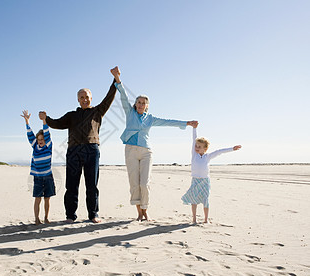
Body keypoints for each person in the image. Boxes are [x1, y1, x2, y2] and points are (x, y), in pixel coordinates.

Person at [110, 66, 197, 221]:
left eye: (144, 103)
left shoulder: (150, 119)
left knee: (145, 183)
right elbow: (123, 95)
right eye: (138, 102)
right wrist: (117, 78)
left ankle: (145, 210)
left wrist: (186, 123)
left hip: (146, 152)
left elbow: (167, 122)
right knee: (134, 184)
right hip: (130, 150)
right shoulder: (130, 113)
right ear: (135, 104)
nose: (141, 104)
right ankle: (139, 213)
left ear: (147, 105)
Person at [38, 73, 117, 224]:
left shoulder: (97, 111)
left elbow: (109, 98)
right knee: (71, 185)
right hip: (73, 151)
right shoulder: (71, 115)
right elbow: (56, 123)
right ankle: (70, 216)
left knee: (91, 185)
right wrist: (45, 119)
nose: (84, 99)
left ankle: (93, 214)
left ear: (91, 98)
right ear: (78, 100)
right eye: (82, 97)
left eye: (87, 97)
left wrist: (116, 79)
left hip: (91, 150)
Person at [181, 123, 242, 223]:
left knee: (205, 200)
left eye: (199, 146)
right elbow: (194, 139)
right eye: (196, 146)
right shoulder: (194, 155)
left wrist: (232, 149)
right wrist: (194, 129)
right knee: (193, 200)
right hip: (195, 180)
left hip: (205, 181)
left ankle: (205, 219)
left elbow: (219, 152)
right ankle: (194, 219)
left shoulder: (208, 156)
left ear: (205, 148)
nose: (196, 147)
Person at [21, 110, 56, 225]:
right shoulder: (35, 146)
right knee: (37, 198)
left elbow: (46, 132)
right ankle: (37, 219)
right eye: (39, 139)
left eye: (42, 139)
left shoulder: (48, 146)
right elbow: (30, 135)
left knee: (47, 198)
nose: (41, 141)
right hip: (37, 177)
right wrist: (27, 121)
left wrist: (44, 121)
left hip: (48, 176)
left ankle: (46, 218)